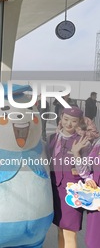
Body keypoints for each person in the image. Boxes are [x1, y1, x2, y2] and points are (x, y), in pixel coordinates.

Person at [46, 106, 92, 248]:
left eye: (73, 121)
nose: (68, 124)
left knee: (69, 232)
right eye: (66, 119)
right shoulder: (52, 138)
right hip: (55, 190)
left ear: (79, 122)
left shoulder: (82, 141)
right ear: (61, 118)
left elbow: (86, 170)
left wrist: (77, 153)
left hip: (72, 191)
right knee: (60, 230)